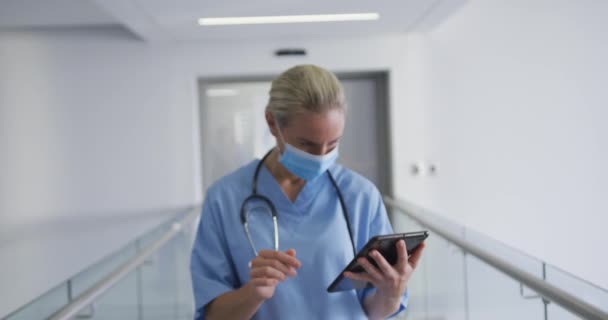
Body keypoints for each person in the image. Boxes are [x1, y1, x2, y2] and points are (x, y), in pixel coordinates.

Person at [190, 64, 425, 320]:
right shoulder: (225, 198)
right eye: (307, 145)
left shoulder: (360, 196)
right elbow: (212, 316)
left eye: (332, 144)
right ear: (272, 123)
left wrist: (391, 292)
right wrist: (254, 292)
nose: (321, 156)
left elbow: (374, 311)